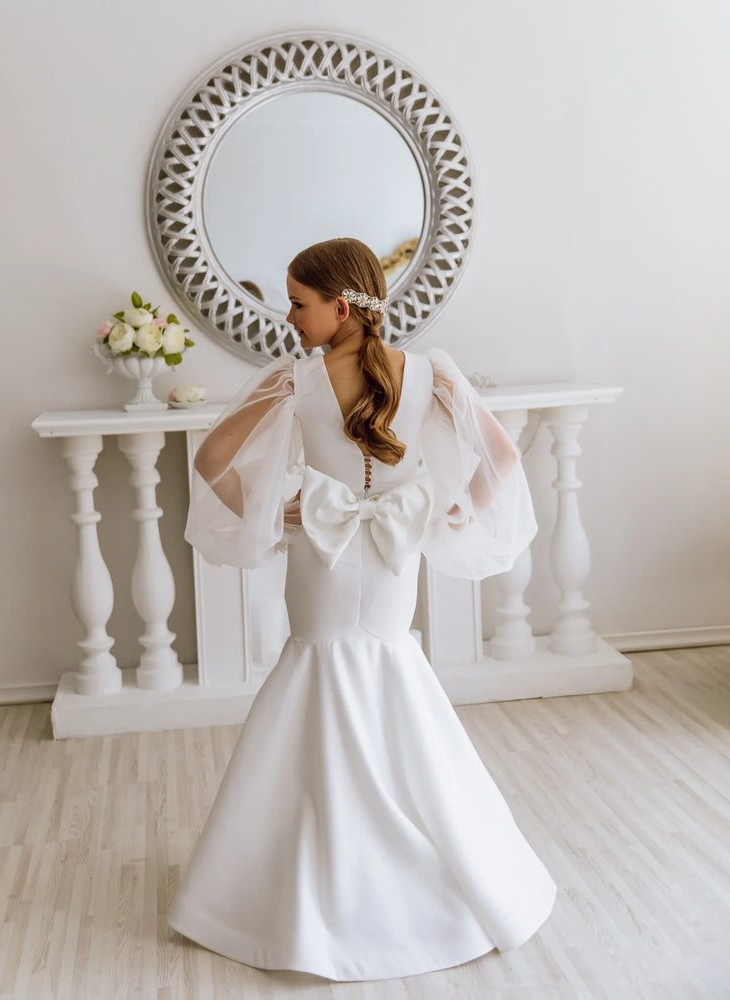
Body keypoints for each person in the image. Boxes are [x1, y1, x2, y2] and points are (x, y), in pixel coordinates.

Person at [168, 237, 556, 982]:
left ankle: (314, 865)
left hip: (323, 554)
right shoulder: (431, 373)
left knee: (313, 672)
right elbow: (503, 459)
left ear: (340, 307)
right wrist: (449, 515)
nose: (289, 316)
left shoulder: (295, 380)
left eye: (298, 302)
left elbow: (212, 458)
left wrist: (272, 514)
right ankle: (417, 850)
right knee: (390, 669)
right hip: (391, 557)